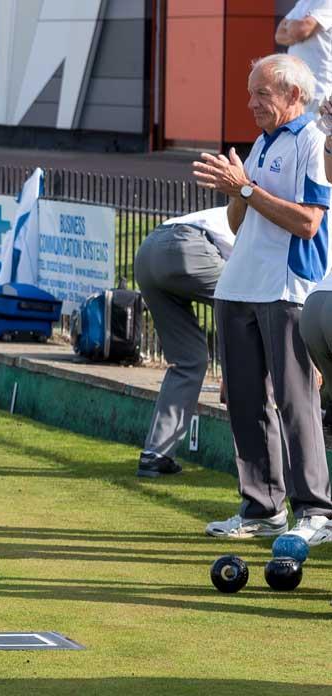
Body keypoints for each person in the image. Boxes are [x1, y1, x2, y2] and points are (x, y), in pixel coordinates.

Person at [191, 53, 332, 544]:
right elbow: (237, 222)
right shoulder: (262, 142)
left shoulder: (313, 142)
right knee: (245, 404)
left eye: (261, 94)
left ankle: (315, 510)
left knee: (296, 404)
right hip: (240, 287)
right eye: (250, 93)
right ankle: (261, 507)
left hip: (286, 288)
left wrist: (246, 188)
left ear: (294, 95)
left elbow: (309, 221)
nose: (250, 103)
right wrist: (237, 190)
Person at [131, 208, 232, 478]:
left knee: (190, 361)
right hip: (188, 245)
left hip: (148, 252)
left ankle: (156, 454)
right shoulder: (274, 223)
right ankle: (259, 462)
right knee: (246, 303)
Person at [278, 0, 332, 100]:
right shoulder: (302, 3)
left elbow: (301, 30)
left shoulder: (326, 1)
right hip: (297, 89)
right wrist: (295, 33)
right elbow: (279, 35)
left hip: (318, 92)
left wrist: (291, 27)